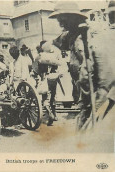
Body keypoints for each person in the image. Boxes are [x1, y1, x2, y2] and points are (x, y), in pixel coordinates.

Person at [49, 1, 115, 129]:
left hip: (97, 91)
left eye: (63, 19)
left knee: (90, 130)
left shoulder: (91, 34)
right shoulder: (70, 35)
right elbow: (55, 42)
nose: (60, 23)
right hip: (84, 87)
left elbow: (101, 72)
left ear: (73, 18)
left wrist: (94, 105)